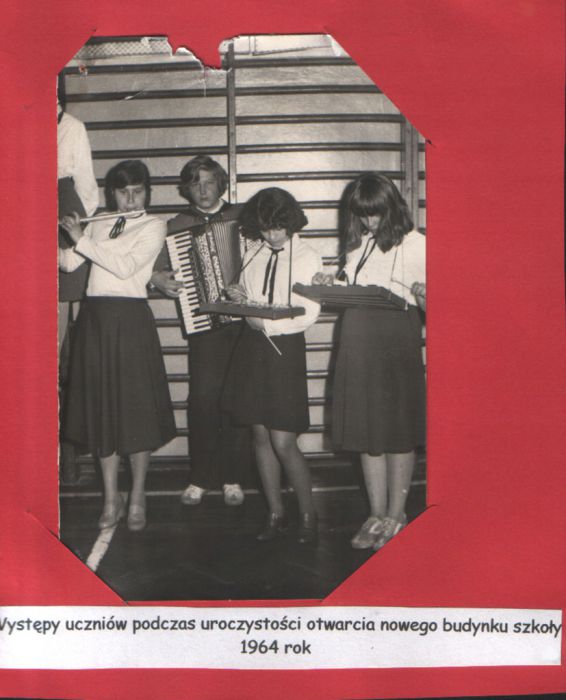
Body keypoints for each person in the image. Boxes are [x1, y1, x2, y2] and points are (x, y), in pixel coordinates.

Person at [59, 160, 176, 532]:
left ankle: (138, 495)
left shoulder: (154, 225)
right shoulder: (98, 222)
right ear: (112, 194)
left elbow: (125, 267)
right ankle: (111, 499)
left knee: (136, 413)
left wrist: (81, 239)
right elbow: (68, 264)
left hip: (130, 321)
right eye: (123, 192)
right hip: (95, 320)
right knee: (103, 413)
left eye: (138, 192)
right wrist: (49, 234)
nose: (130, 199)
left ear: (147, 192)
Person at [318, 173, 426, 551]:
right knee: (367, 432)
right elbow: (353, 289)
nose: (369, 221)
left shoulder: (417, 244)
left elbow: (440, 306)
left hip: (395, 341)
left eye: (375, 213)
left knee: (396, 430)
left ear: (392, 207)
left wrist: (425, 295)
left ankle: (397, 513)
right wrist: (329, 285)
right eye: (363, 215)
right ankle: (377, 513)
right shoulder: (359, 245)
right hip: (358, 340)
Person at [151, 156, 252, 508]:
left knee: (236, 401)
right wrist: (157, 278)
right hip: (204, 324)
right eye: (195, 184)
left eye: (209, 182)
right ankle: (201, 477)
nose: (203, 190)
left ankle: (233, 476)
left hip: (244, 323)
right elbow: (154, 269)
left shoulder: (243, 215)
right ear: (186, 189)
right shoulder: (176, 225)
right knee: (203, 401)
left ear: (221, 184)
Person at [222, 187, 321, 544]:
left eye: (279, 227)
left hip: (284, 349)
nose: (273, 235)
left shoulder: (308, 256)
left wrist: (266, 323)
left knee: (283, 440)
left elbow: (309, 313)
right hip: (253, 349)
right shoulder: (254, 251)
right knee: (260, 435)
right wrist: (239, 297)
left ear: (291, 222)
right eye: (265, 228)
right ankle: (275, 513)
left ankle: (308, 515)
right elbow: (251, 298)